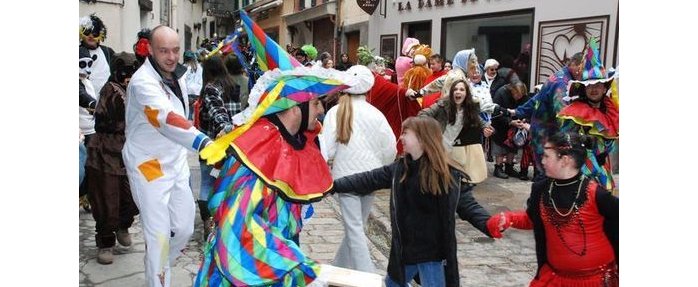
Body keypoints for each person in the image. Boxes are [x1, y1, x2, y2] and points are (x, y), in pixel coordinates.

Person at [194, 65, 356, 286]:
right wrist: (299, 268)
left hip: (272, 268)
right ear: (294, 106)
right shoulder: (256, 151)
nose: (320, 111)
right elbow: (238, 231)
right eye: (316, 103)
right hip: (245, 274)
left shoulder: (291, 142)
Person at [331, 116, 498, 287]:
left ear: (422, 138)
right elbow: (369, 179)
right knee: (392, 284)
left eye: (405, 133)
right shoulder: (400, 168)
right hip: (405, 251)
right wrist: (333, 185)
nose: (400, 137)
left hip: (432, 254)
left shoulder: (445, 174)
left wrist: (488, 223)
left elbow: (467, 204)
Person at [122, 26, 212, 287]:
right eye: (164, 51)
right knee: (159, 237)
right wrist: (204, 142)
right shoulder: (141, 83)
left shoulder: (179, 76)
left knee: (183, 230)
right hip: (149, 167)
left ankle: (157, 266)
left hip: (176, 163)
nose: (171, 57)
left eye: (175, 50)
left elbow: (182, 114)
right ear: (149, 49)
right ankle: (158, 276)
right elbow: (165, 119)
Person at [489, 132, 618, 286]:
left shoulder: (597, 194)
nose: (542, 161)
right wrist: (508, 218)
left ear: (564, 160)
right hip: (555, 279)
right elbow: (533, 219)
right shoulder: (541, 189)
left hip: (597, 281)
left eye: (547, 156)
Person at [319, 65, 397, 273]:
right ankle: (338, 267)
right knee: (356, 227)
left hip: (345, 178)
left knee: (354, 228)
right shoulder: (376, 114)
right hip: (371, 178)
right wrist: (381, 167)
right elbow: (390, 147)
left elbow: (327, 149)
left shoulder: (336, 112)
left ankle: (367, 275)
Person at [85, 52, 141, 265]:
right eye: (125, 73)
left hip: (130, 153)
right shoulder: (110, 90)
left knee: (132, 197)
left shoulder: (135, 90)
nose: (129, 77)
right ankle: (105, 242)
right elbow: (101, 122)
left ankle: (122, 225)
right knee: (106, 199)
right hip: (105, 154)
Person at [509, 52, 584, 181]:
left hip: (542, 134)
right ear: (576, 66)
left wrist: (518, 111)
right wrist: (575, 139)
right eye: (584, 69)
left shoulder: (560, 77)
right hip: (549, 136)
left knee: (545, 173)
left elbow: (537, 99)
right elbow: (564, 116)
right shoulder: (562, 83)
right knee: (549, 176)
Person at [557, 38, 618, 192]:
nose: (593, 89)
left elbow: (611, 139)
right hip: (580, 170)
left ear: (604, 89)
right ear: (583, 89)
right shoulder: (575, 112)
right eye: (589, 86)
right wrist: (582, 141)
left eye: (598, 85)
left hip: (603, 168)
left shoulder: (611, 111)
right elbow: (563, 140)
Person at [195, 55, 243, 240]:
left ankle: (209, 224)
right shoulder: (233, 86)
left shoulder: (210, 88)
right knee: (226, 183)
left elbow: (218, 113)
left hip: (212, 145)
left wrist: (224, 129)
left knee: (206, 183)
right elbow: (236, 113)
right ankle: (223, 221)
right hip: (232, 145)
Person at [419, 80, 490, 184]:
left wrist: (485, 128)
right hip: (440, 145)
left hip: (455, 147)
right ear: (451, 92)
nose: (458, 92)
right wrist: (431, 127)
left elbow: (479, 120)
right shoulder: (442, 105)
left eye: (461, 89)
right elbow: (422, 114)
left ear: (466, 93)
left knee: (451, 179)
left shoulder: (469, 108)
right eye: (455, 89)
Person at [491, 82, 531, 179]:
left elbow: (526, 109)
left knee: (512, 146)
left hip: (515, 125)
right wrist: (510, 121)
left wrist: (524, 119)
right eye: (516, 94)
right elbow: (495, 113)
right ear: (512, 90)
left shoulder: (523, 97)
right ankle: (498, 167)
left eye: (520, 95)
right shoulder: (501, 94)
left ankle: (509, 167)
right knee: (500, 146)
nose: (518, 97)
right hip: (500, 123)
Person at [79, 14, 115, 98]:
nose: (91, 36)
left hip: (104, 104)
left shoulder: (108, 52)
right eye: (87, 32)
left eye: (95, 33)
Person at [184, 50, 203, 120]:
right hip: (198, 93)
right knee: (197, 113)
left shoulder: (183, 68)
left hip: (187, 92)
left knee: (188, 113)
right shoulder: (199, 67)